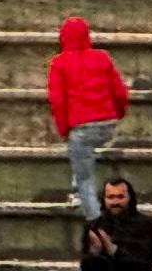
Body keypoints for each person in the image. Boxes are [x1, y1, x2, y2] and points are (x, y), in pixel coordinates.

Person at [42, 14, 128, 210]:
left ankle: (81, 198)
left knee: (82, 165)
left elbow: (57, 100)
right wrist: (118, 113)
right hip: (107, 121)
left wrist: (63, 129)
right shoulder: (102, 57)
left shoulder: (59, 63)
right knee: (83, 151)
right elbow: (119, 91)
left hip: (81, 124)